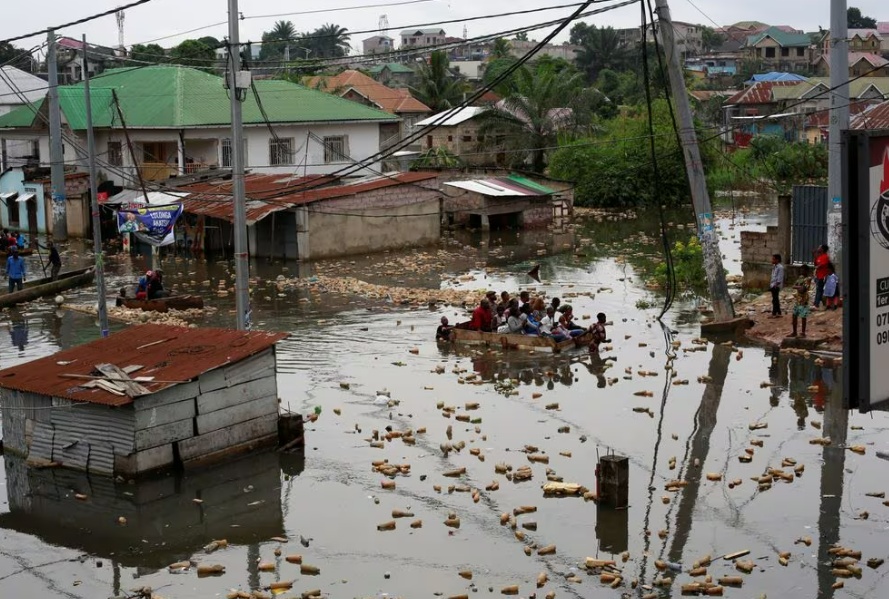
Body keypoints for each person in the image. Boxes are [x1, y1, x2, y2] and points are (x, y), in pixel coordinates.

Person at [790, 265, 811, 338]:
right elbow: (794, 286)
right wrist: (799, 287)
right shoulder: (800, 278)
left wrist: (798, 287)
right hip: (798, 300)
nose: (801, 271)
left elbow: (804, 289)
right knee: (794, 315)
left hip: (804, 300)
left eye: (803, 270)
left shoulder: (808, 279)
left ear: (806, 271)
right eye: (801, 270)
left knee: (803, 316)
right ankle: (794, 332)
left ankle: (803, 332)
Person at [813, 244, 829, 308]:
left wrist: (817, 267)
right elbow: (815, 263)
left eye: (820, 247)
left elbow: (821, 265)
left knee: (819, 290)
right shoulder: (820, 256)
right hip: (818, 275)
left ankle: (816, 304)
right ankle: (822, 303)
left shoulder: (825, 257)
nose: (818, 248)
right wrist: (814, 255)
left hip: (822, 276)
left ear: (822, 249)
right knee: (819, 290)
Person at [769, 253, 784, 317]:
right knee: (775, 299)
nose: (772, 260)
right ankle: (778, 312)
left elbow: (780, 278)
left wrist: (775, 285)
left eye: (773, 259)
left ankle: (774, 313)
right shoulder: (775, 266)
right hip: (773, 285)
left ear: (777, 260)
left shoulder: (780, 267)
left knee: (775, 300)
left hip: (776, 286)